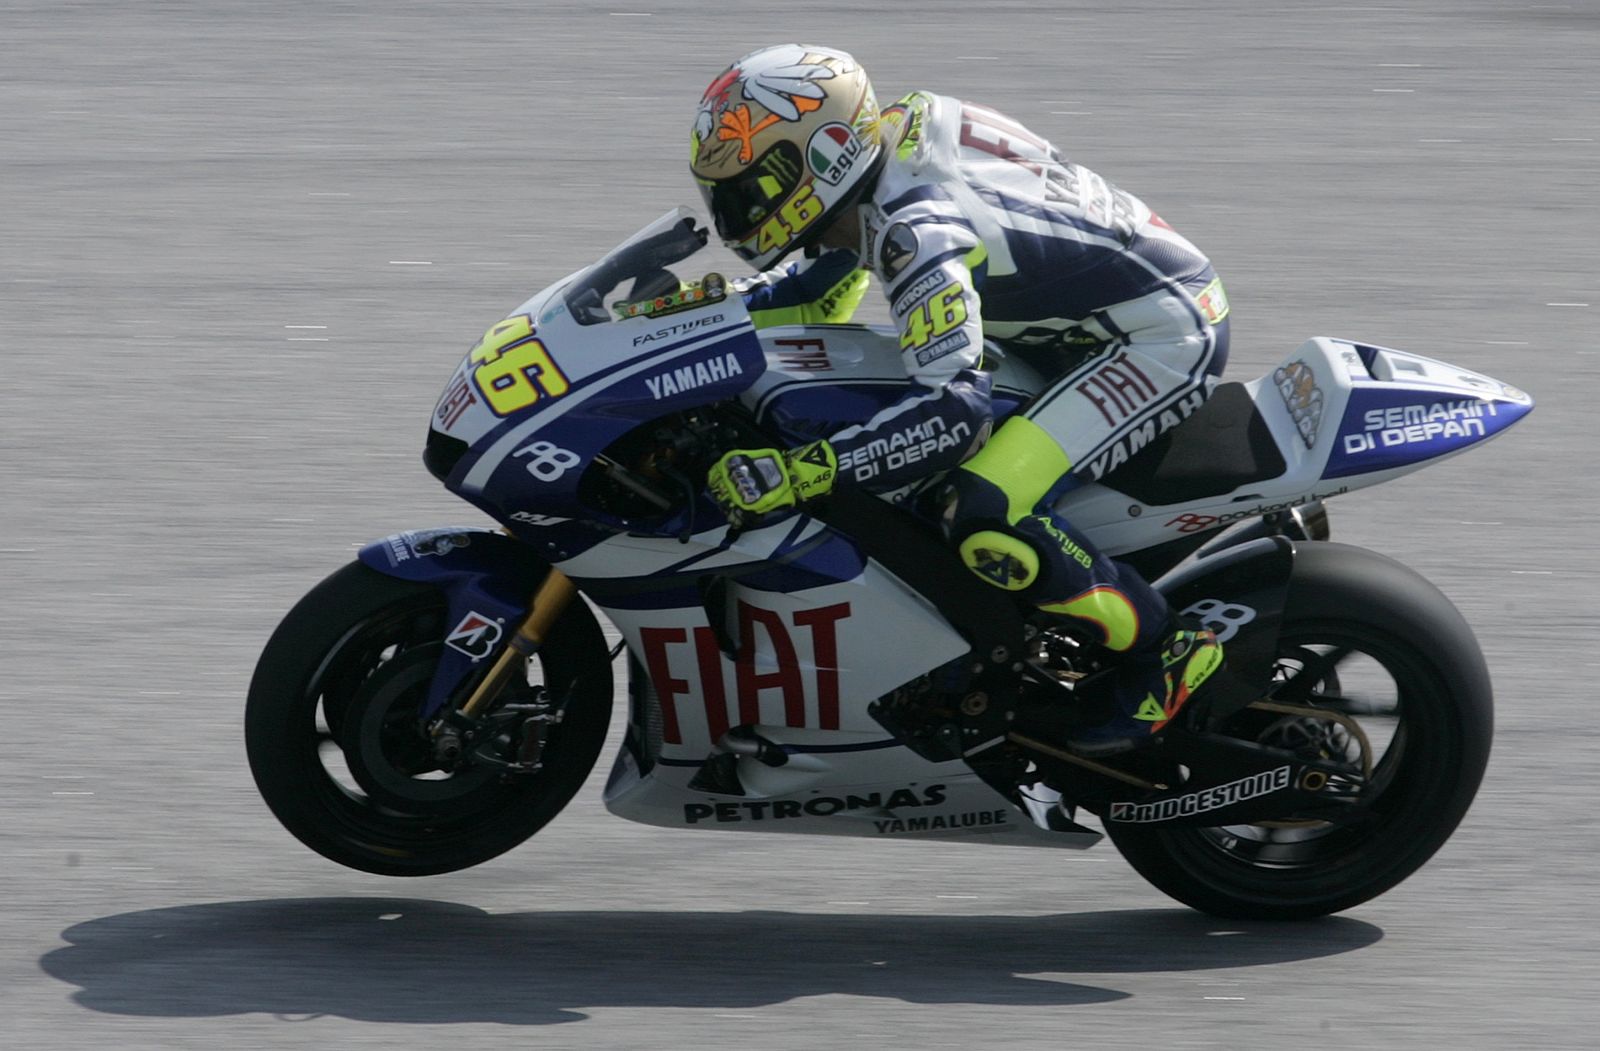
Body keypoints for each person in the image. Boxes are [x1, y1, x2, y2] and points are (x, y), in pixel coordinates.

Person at [695, 44, 1226, 754]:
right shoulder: (881, 149)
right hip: (1080, 321)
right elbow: (827, 283)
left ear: (822, 159)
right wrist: (690, 318)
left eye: (754, 187)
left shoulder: (916, 233)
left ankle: (1170, 647)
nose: (741, 210)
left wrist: (802, 474)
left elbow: (953, 415)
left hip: (1158, 341)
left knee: (985, 508)